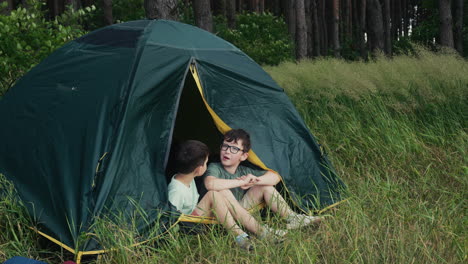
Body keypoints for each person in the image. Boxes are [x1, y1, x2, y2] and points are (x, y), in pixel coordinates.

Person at [167, 140, 285, 251]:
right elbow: (170, 217)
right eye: (206, 163)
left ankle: (260, 232)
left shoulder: (188, 179)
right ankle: (240, 235)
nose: (207, 165)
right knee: (212, 194)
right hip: (188, 226)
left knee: (223, 191)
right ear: (199, 169)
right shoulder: (176, 189)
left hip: (195, 218)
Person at [204, 129, 322, 230]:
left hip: (240, 210)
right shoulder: (215, 167)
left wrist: (255, 180)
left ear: (244, 156)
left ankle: (292, 217)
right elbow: (210, 184)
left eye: (234, 149)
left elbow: (275, 176)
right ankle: (258, 229)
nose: (227, 151)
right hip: (221, 213)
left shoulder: (243, 171)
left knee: (265, 186)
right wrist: (241, 182)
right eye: (225, 146)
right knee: (222, 192)